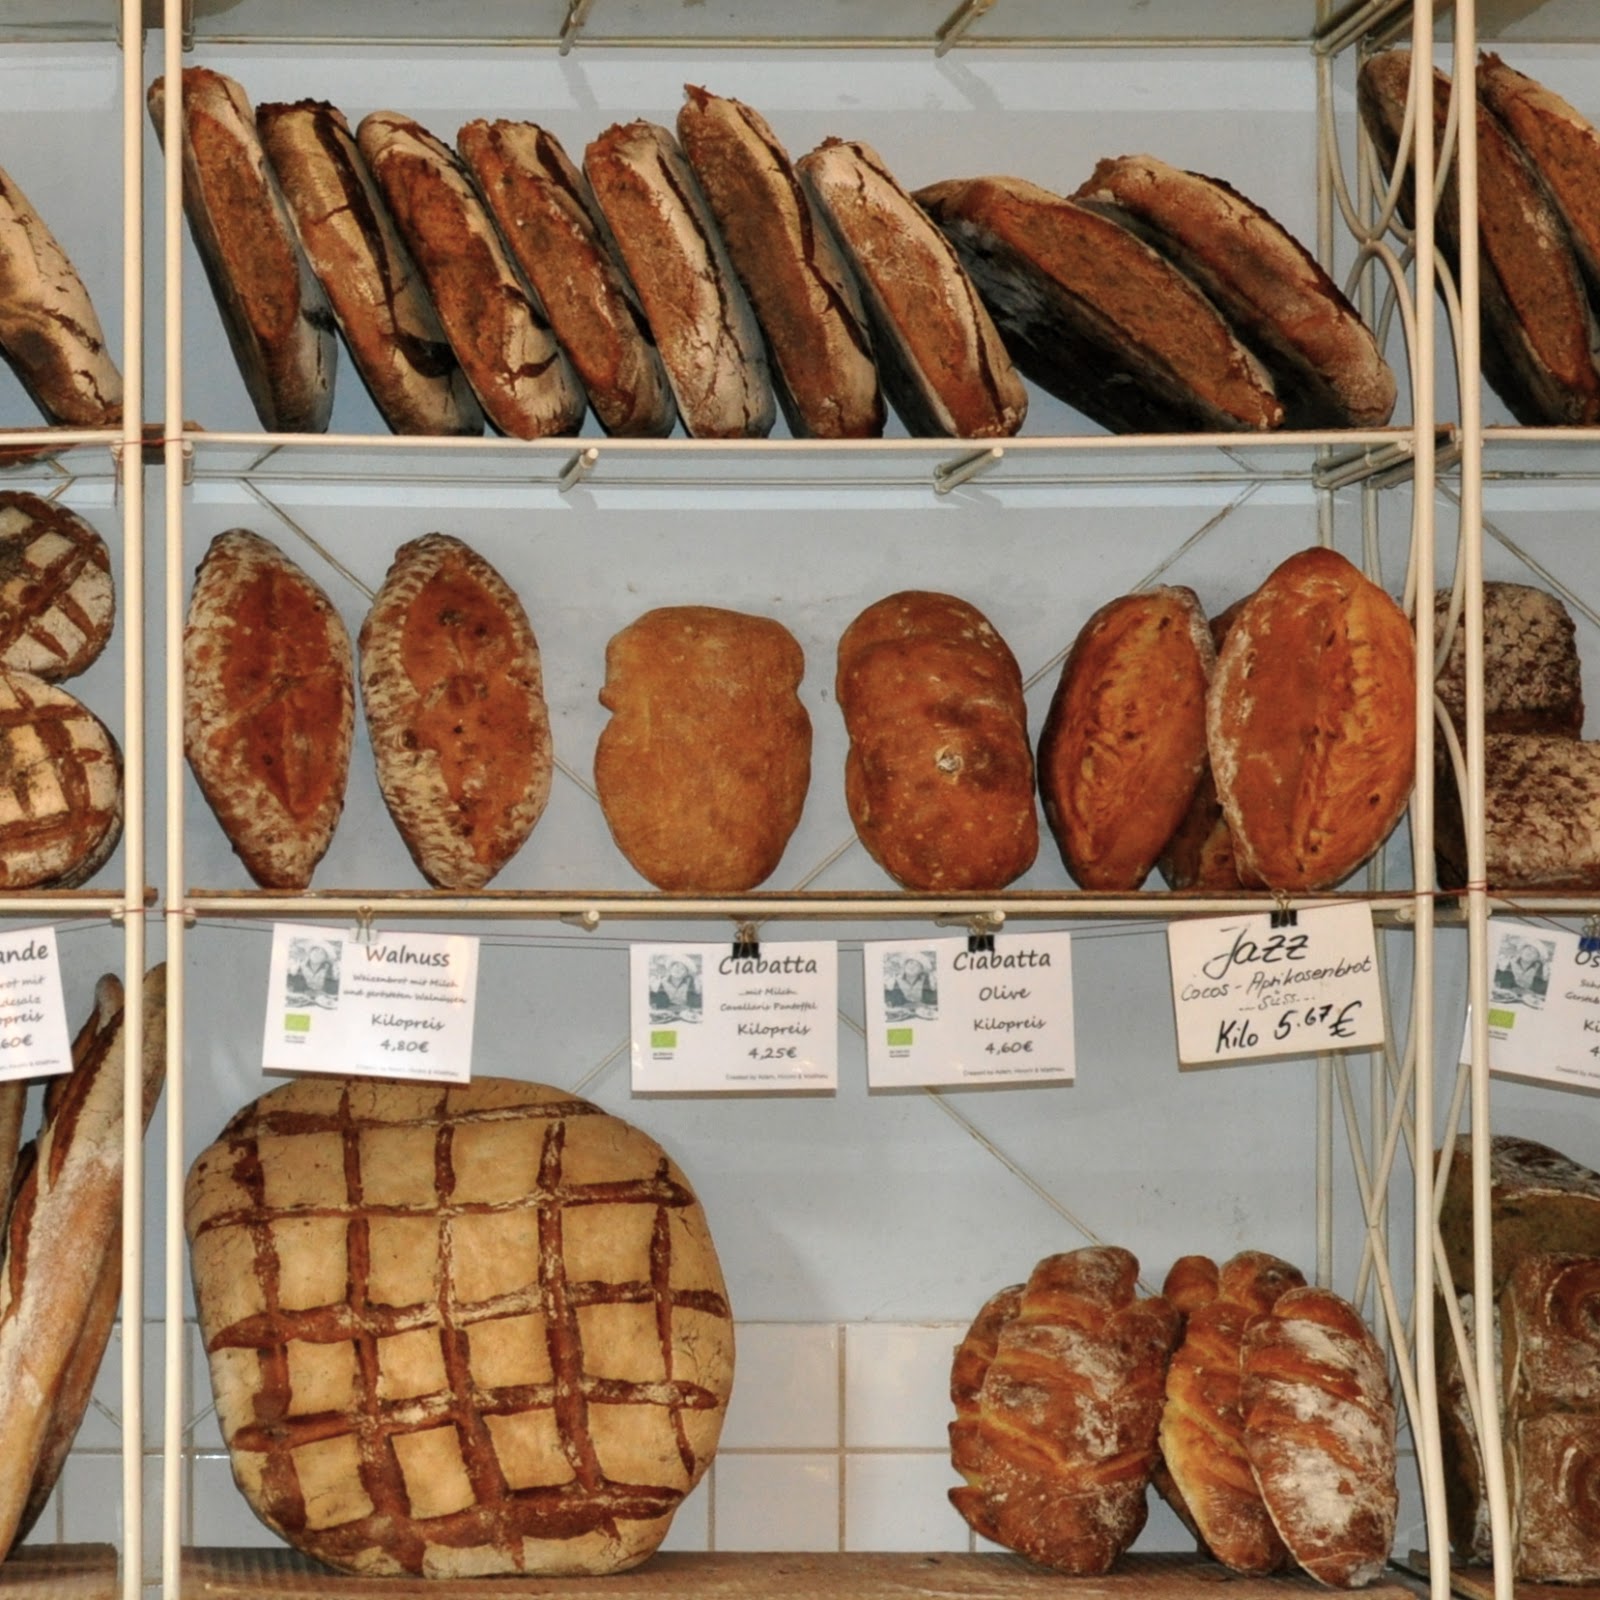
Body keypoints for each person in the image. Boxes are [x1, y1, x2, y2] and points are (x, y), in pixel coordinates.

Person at [884, 954, 937, 1018]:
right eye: (910, 963)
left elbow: (933, 1002)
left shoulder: (927, 981)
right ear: (905, 965)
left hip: (922, 1016)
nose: (912, 966)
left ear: (921, 970)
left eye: (917, 965)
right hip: (901, 1016)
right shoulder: (894, 980)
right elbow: (891, 1003)